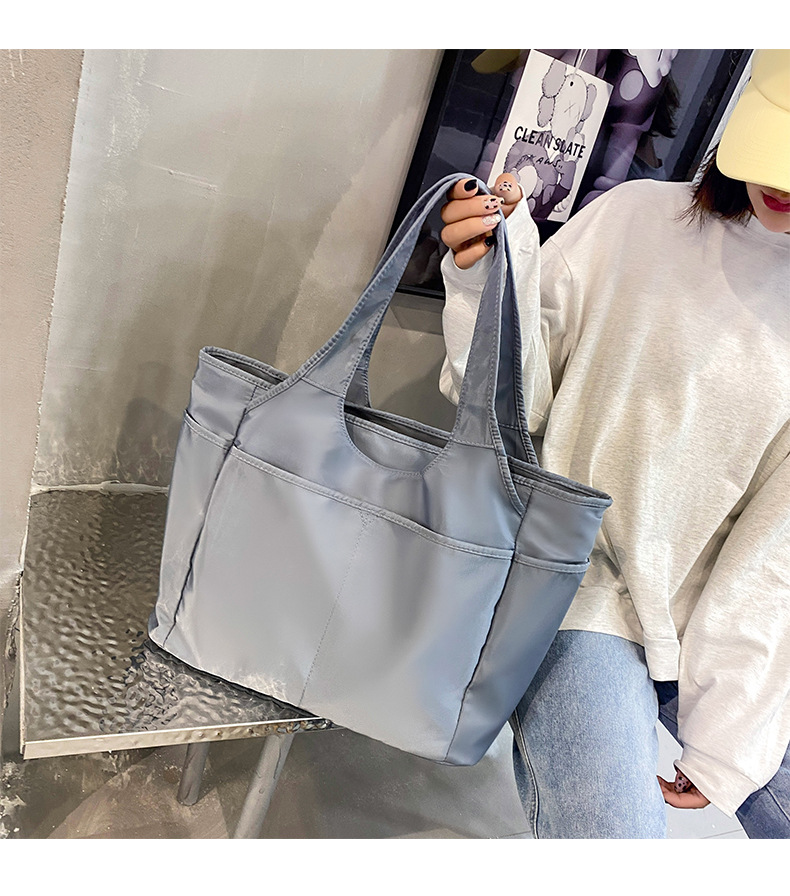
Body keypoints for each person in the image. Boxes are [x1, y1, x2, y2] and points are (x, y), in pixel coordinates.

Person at [438, 49, 790, 838]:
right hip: (575, 584)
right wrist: (481, 276)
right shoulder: (636, 220)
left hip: (709, 613)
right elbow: (511, 402)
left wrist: (731, 741)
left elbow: (774, 558)